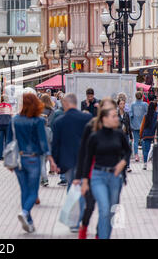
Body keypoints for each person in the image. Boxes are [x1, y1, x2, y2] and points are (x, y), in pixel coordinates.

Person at [5, 93, 57, 233]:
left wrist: (8, 161)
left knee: (24, 190)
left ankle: (29, 222)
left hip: (18, 159)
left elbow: (9, 141)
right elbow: (42, 141)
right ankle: (25, 212)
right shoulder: (38, 121)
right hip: (33, 158)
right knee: (33, 191)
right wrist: (50, 158)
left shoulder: (14, 120)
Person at [81, 107, 130, 239]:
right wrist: (85, 181)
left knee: (111, 211)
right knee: (104, 209)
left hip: (115, 177)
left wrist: (123, 162)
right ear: (104, 119)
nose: (117, 119)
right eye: (113, 116)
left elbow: (128, 151)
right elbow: (87, 158)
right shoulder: (94, 136)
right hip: (98, 175)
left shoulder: (119, 134)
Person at [74, 98, 117, 239]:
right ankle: (84, 227)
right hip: (92, 172)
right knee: (91, 205)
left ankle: (100, 234)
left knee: (107, 210)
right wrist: (79, 176)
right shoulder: (90, 126)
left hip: (110, 174)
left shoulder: (116, 127)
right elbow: (83, 153)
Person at [52, 93, 92, 232]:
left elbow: (55, 144)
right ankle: (76, 219)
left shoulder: (59, 122)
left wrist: (55, 163)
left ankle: (73, 219)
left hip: (67, 161)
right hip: (85, 160)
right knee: (80, 189)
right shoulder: (87, 118)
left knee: (72, 186)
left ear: (67, 104)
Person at [139, 101, 158, 171]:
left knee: (145, 150)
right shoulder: (157, 115)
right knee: (154, 150)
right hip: (154, 134)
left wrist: (141, 135)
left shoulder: (146, 115)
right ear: (155, 107)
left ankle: (145, 164)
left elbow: (142, 126)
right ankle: (154, 163)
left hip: (146, 134)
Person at [129, 91, 148, 162]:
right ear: (142, 96)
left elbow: (131, 115)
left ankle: (136, 155)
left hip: (135, 125)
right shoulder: (145, 104)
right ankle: (144, 154)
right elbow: (147, 114)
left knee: (135, 141)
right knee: (143, 140)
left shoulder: (133, 105)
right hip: (143, 125)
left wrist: (130, 124)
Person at [0, 95, 13, 160]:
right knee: (8, 141)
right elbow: (11, 115)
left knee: (0, 141)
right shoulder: (9, 106)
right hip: (8, 124)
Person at [117, 98, 132, 172]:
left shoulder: (126, 114)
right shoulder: (116, 114)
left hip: (125, 134)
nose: (122, 105)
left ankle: (128, 165)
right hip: (118, 134)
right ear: (118, 105)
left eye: (123, 104)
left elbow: (129, 125)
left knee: (127, 149)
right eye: (121, 104)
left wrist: (131, 136)